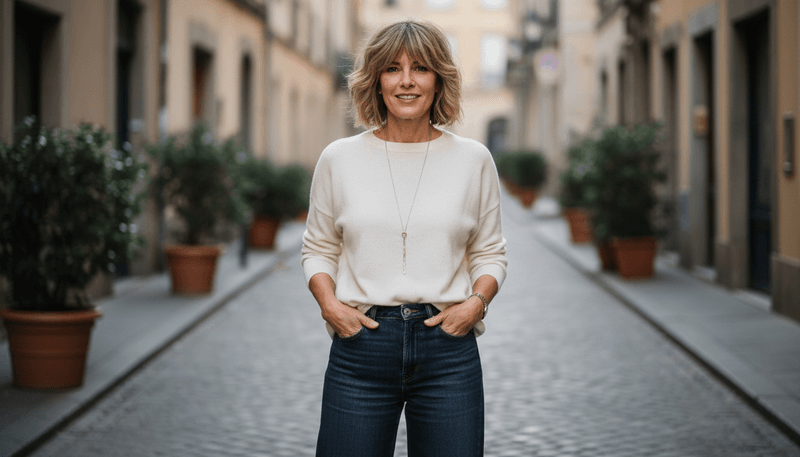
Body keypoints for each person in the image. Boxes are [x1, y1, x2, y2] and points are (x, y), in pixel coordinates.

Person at [301, 20, 508, 457]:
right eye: (393, 69)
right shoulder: (339, 158)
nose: (407, 81)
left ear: (439, 80)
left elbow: (490, 252)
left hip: (448, 350)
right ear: (376, 81)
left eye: (421, 69)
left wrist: (476, 304)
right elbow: (318, 247)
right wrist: (330, 306)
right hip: (361, 347)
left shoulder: (474, 159)